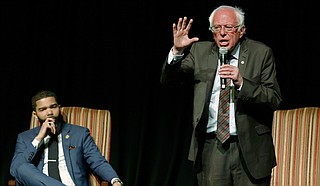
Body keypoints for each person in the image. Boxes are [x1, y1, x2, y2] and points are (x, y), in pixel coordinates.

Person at [160, 5, 282, 186]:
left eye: (228, 28)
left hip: (250, 148)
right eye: (217, 28)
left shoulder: (261, 53)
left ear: (241, 31)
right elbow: (170, 80)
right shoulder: (199, 52)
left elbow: (273, 98)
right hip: (213, 146)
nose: (222, 33)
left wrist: (242, 83)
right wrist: (177, 52)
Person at [10, 90, 123, 186]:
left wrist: (115, 180)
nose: (49, 112)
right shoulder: (25, 137)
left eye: (53, 107)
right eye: (43, 109)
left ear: (59, 108)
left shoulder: (80, 133)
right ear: (35, 115)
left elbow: (97, 161)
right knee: (22, 167)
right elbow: (16, 170)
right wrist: (39, 138)